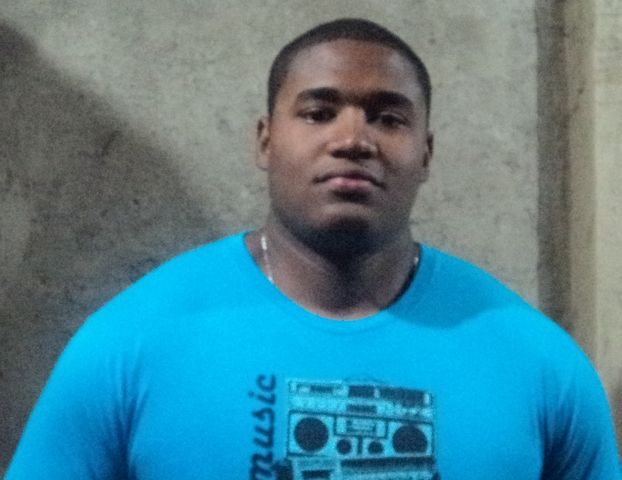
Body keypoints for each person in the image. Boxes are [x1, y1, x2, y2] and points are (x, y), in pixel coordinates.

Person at [6, 18, 620, 480]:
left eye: (388, 118)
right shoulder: (130, 344)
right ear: (265, 141)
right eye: (319, 112)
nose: (353, 139)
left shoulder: (541, 368)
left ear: (426, 153)